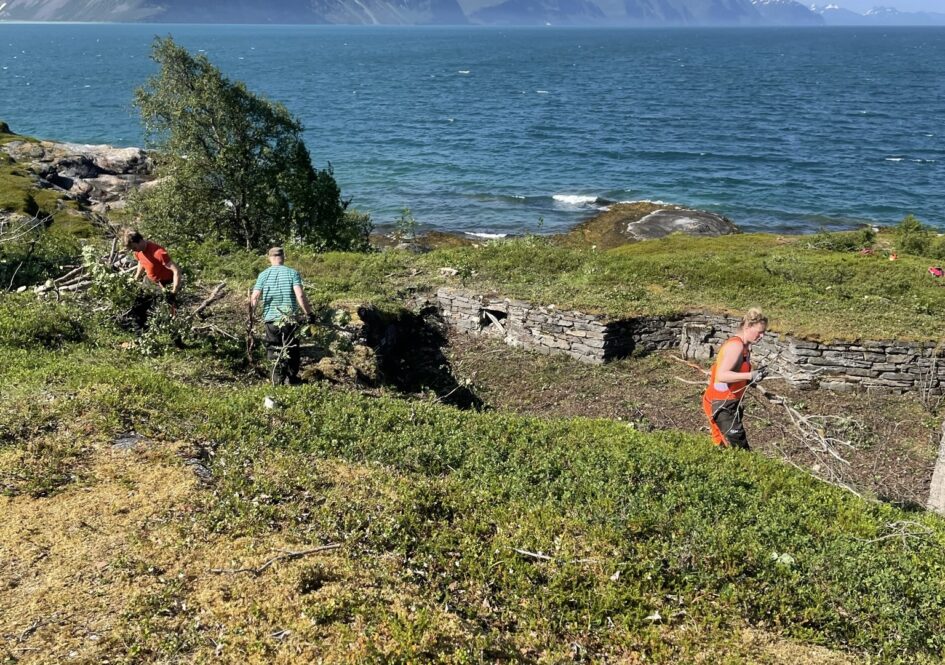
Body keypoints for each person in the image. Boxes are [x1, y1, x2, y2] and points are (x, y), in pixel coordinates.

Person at [702, 308, 769, 450]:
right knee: (739, 447)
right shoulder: (735, 346)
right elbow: (722, 375)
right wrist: (750, 375)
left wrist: (752, 378)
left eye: (764, 332)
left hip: (730, 402)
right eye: (759, 332)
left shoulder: (745, 346)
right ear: (747, 326)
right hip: (720, 404)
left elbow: (735, 374)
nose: (762, 336)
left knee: (726, 445)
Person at [250, 247, 314, 386]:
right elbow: (300, 295)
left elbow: (254, 297)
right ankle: (290, 379)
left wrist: (252, 315)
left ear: (269, 258)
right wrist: (309, 314)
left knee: (273, 348)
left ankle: (276, 380)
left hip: (271, 319)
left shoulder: (263, 275)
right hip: (290, 319)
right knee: (291, 348)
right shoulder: (292, 273)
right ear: (283, 257)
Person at [122, 229, 182, 329]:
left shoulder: (158, 252)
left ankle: (176, 339)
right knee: (138, 308)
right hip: (149, 282)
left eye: (134, 247)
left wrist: (173, 292)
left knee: (170, 315)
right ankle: (141, 334)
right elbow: (141, 262)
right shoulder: (138, 251)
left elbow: (177, 271)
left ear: (139, 241)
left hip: (164, 284)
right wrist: (136, 278)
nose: (134, 250)